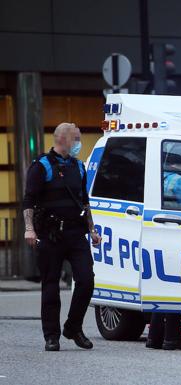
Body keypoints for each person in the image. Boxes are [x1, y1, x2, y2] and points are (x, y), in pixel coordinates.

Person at [23, 122, 102, 351]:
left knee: (86, 280)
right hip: (50, 235)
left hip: (76, 233)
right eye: (76, 138)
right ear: (64, 140)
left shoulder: (78, 167)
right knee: (50, 285)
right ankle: (52, 335)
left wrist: (92, 230)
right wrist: (30, 228)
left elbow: (84, 202)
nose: (79, 142)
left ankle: (73, 327)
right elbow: (29, 200)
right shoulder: (42, 166)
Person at [146, 145, 181, 351]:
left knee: (160, 287)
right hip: (177, 238)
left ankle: (154, 338)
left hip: (155, 237)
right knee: (176, 287)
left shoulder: (158, 178)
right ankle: (172, 339)